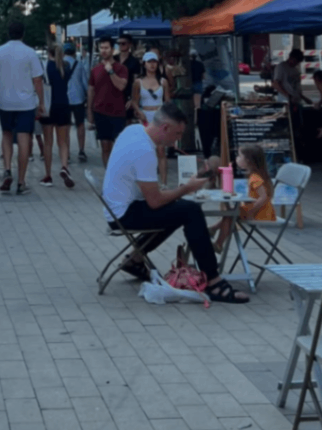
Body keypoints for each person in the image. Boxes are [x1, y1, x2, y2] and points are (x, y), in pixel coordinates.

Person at [102, 103, 249, 304]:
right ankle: (213, 281)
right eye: (177, 133)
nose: (178, 139)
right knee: (191, 211)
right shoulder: (144, 151)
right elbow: (155, 202)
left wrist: (183, 188)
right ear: (165, 128)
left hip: (116, 208)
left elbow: (154, 197)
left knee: (178, 207)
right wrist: (187, 188)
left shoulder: (134, 130)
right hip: (123, 214)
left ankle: (134, 259)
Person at [0, 18, 45, 196]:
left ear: (8, 33)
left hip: (5, 102)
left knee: (6, 134)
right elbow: (37, 80)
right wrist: (41, 102)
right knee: (23, 139)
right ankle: (21, 181)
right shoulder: (30, 53)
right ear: (23, 34)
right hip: (26, 103)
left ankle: (6, 169)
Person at [211, 143, 276, 250]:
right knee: (230, 214)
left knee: (230, 214)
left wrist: (251, 211)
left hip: (262, 214)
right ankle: (216, 238)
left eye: (239, 156)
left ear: (248, 161)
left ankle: (218, 240)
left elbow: (263, 197)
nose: (236, 158)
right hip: (261, 211)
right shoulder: (255, 175)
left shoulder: (255, 177)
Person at [87, 37, 129, 166]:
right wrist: (89, 111)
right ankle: (108, 176)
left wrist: (110, 71)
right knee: (105, 146)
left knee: (118, 147)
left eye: (106, 48)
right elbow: (91, 90)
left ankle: (118, 174)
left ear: (112, 49)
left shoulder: (121, 68)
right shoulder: (95, 69)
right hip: (100, 111)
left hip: (117, 112)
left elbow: (121, 86)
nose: (104, 51)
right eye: (101, 48)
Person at [39, 43, 74, 188]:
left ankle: (48, 175)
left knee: (48, 142)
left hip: (48, 106)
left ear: (49, 53)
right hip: (64, 105)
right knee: (63, 142)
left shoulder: (45, 67)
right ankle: (64, 166)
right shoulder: (65, 67)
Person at [65, 41, 89, 162]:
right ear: (74, 52)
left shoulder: (59, 64)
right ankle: (81, 150)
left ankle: (67, 153)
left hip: (64, 99)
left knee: (66, 127)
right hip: (78, 98)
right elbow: (85, 83)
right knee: (80, 124)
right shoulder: (79, 64)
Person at [130, 50, 166, 126]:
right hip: (144, 115)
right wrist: (139, 112)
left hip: (160, 115)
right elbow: (134, 101)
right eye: (149, 62)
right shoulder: (138, 82)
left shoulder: (163, 82)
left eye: (154, 62)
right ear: (144, 64)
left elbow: (167, 101)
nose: (152, 64)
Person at [116, 35, 142, 105]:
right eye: (119, 43)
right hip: (113, 95)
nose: (121, 45)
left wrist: (132, 99)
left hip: (127, 96)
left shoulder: (134, 61)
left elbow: (136, 81)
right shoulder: (113, 59)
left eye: (123, 43)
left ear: (129, 44)